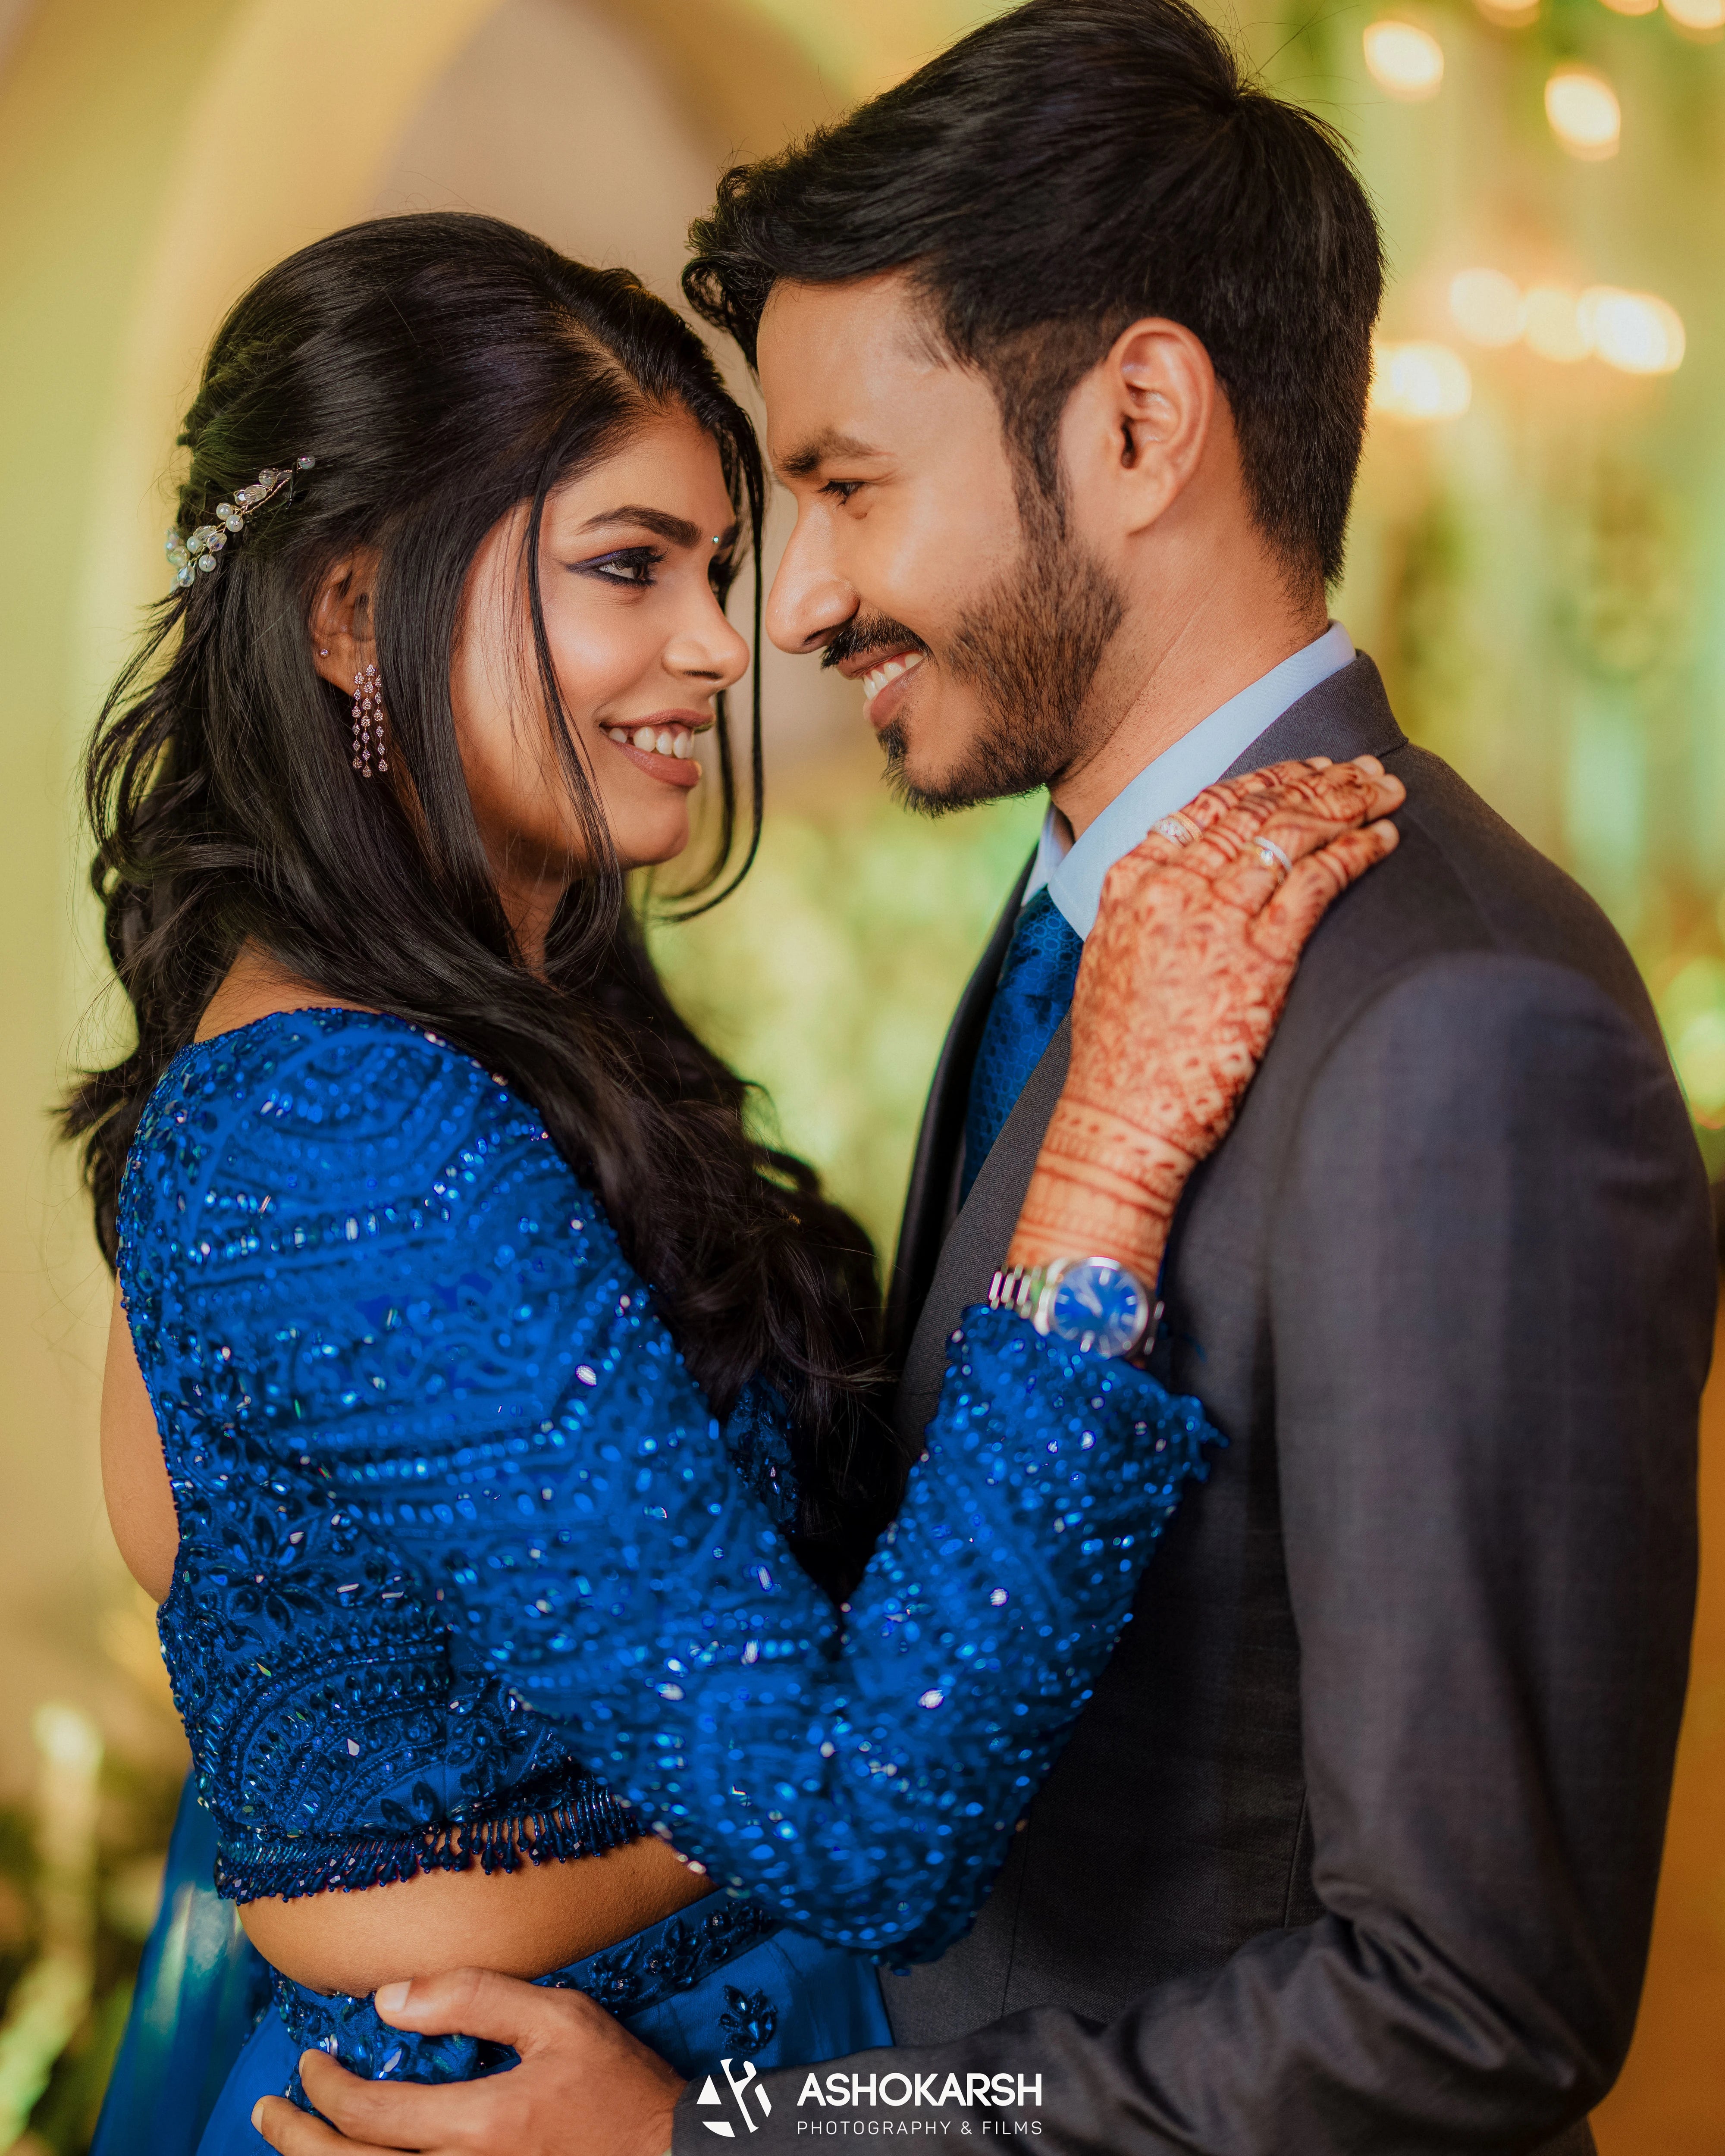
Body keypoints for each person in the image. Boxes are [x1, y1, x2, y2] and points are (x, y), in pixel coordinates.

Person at [263, 3, 1716, 2153]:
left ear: (1139, 423)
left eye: (847, 485)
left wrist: (733, 2130)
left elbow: (1462, 2001)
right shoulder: (1076, 920)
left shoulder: (1453, 1028)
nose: (804, 601)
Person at [78, 209, 1397, 2153]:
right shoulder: (335, 1128)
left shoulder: (504, 1031)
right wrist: (1105, 1165)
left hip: (713, 2044)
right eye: (630, 569)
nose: (719, 641)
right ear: (351, 610)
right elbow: (865, 1819)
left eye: (716, 564)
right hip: (511, 2096)